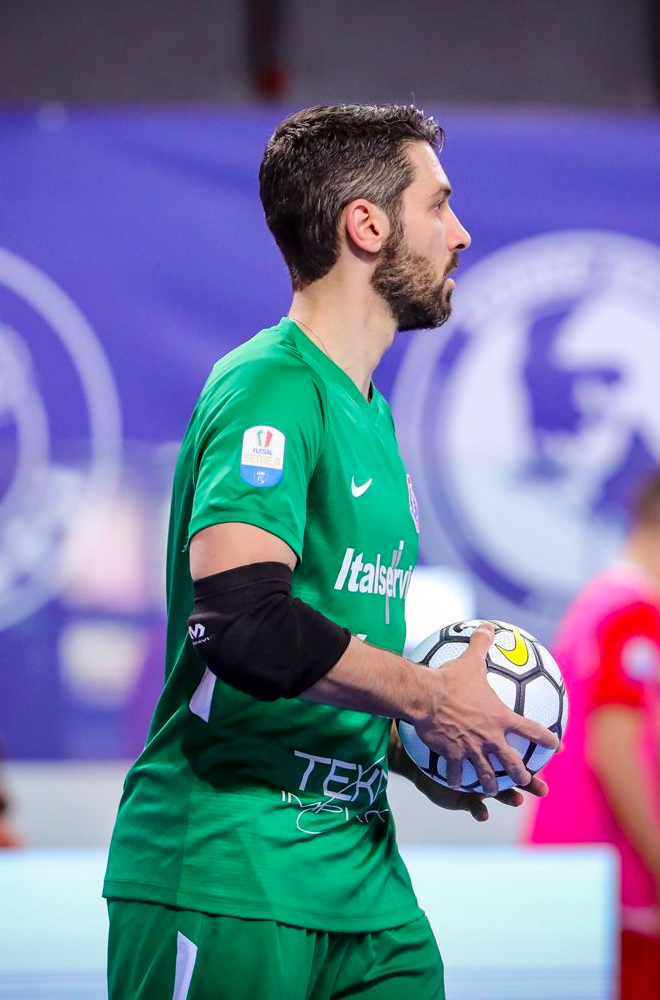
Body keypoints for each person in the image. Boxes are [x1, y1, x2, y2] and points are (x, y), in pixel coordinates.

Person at [104, 104, 558, 1000]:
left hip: (364, 884)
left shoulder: (373, 416)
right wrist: (430, 696)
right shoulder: (269, 386)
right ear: (367, 225)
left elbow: (325, 655)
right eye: (439, 204)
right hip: (230, 871)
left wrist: (413, 744)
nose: (461, 233)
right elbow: (241, 624)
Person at [527, 474, 660, 1000]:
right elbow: (615, 751)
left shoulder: (598, 603)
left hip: (580, 878)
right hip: (616, 885)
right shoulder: (633, 615)